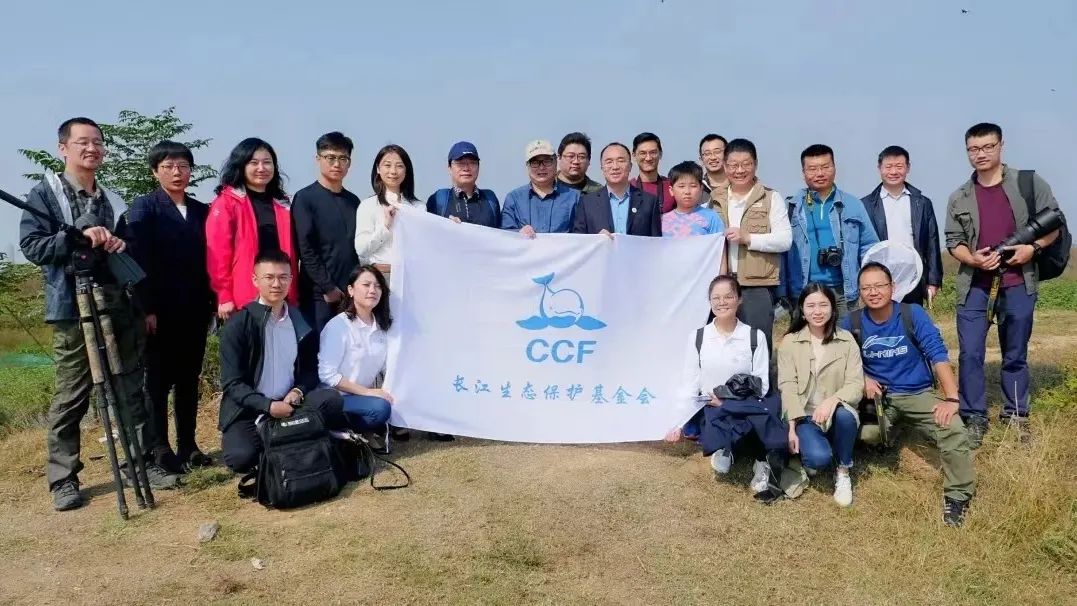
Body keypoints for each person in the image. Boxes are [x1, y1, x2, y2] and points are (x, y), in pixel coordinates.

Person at [19, 117, 180, 511]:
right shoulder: (45, 195)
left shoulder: (112, 199)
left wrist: (118, 242)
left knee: (129, 386)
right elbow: (33, 247)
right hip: (71, 307)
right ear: (63, 148)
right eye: (83, 142)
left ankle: (139, 463)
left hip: (118, 302)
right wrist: (75, 236)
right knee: (72, 393)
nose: (92, 149)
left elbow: (130, 248)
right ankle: (63, 479)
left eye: (98, 142)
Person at [944, 122, 1063, 446]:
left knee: (1015, 353)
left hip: (1018, 282)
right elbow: (953, 240)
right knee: (970, 353)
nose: (980, 154)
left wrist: (1032, 249)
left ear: (1000, 146)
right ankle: (973, 416)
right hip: (974, 285)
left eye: (987, 147)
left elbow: (1054, 224)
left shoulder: (1029, 183)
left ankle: (1015, 415)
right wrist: (972, 259)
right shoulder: (959, 196)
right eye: (973, 149)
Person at [842, 263, 975, 527]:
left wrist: (952, 398)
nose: (873, 292)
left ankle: (957, 496)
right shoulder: (852, 321)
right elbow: (841, 359)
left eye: (879, 286)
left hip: (917, 393)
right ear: (859, 292)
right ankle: (892, 431)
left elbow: (937, 354)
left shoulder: (911, 314)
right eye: (866, 288)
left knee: (953, 428)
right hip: (879, 398)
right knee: (868, 434)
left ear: (892, 287)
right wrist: (864, 379)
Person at [217, 250, 355, 476]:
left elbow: (310, 370)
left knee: (332, 400)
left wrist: (298, 390)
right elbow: (232, 384)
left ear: (291, 280)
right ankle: (292, 437)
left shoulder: (301, 320)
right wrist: (268, 406)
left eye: (283, 277)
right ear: (255, 280)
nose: (276, 284)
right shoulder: (239, 325)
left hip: (291, 403)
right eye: (269, 277)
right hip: (252, 409)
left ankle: (291, 436)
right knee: (241, 457)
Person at [126, 141, 214, 472]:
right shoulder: (145, 208)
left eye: (183, 166)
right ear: (155, 171)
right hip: (159, 310)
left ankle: (188, 445)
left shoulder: (202, 210)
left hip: (195, 307)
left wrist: (212, 303)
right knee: (158, 381)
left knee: (189, 378)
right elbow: (138, 261)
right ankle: (160, 448)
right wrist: (146, 308)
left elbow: (212, 260)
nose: (177, 172)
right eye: (168, 166)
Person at [666, 276, 780, 497]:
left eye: (728, 296)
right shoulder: (698, 337)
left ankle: (761, 461)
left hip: (745, 406)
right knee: (715, 432)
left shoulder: (754, 337)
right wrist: (678, 423)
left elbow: (762, 385)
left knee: (758, 422)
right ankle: (727, 448)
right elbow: (690, 382)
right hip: (712, 407)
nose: (722, 302)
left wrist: (728, 401)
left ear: (739, 299)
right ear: (709, 302)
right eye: (716, 298)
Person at [777, 283, 864, 507]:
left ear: (833, 308)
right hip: (805, 415)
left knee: (845, 416)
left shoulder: (846, 340)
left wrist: (833, 400)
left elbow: (856, 384)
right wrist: (791, 428)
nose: (817, 311)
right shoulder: (790, 342)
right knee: (818, 459)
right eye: (811, 306)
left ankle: (843, 470)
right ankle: (816, 451)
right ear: (802, 311)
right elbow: (787, 385)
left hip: (836, 412)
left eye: (823, 305)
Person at [780, 144, 879, 319]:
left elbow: (869, 248)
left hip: (844, 292)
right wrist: (782, 291)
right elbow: (781, 253)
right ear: (803, 173)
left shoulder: (853, 204)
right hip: (803, 291)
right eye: (812, 169)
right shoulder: (791, 207)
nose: (820, 173)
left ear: (834, 168)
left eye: (825, 167)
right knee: (805, 337)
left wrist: (870, 284)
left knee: (846, 336)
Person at [206, 138, 299, 322]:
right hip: (245, 295)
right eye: (254, 163)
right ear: (241, 166)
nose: (261, 168)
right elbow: (218, 253)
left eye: (267, 162)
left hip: (281, 292)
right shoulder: (226, 203)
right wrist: (224, 294)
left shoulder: (283, 204)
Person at [716, 138, 792, 356]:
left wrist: (749, 238)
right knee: (723, 344)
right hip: (722, 284)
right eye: (733, 165)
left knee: (757, 346)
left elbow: (785, 240)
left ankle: (762, 380)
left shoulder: (771, 198)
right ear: (725, 166)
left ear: (755, 164)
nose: (739, 170)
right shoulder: (713, 200)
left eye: (746, 164)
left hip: (757, 285)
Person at [291, 132, 361, 334]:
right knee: (318, 350)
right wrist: (328, 286)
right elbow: (305, 249)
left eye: (343, 158)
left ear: (349, 163)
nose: (337, 164)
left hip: (351, 294)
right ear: (318, 159)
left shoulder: (354, 201)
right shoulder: (305, 198)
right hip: (318, 296)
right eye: (330, 157)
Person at [860, 146, 943, 307]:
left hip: (913, 274)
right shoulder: (866, 205)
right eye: (888, 167)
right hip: (879, 275)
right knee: (881, 318)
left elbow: (932, 242)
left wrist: (933, 281)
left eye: (899, 166)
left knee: (911, 317)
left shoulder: (922, 203)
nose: (893, 172)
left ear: (908, 168)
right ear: (879, 168)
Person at [318, 265, 395, 436]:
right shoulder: (338, 326)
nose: (372, 290)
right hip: (334, 398)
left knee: (392, 402)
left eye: (378, 286)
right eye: (366, 285)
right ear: (351, 290)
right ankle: (334, 432)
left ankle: (359, 431)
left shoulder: (382, 327)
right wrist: (367, 392)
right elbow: (327, 375)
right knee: (381, 409)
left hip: (361, 398)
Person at [356, 144, 424, 272]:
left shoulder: (418, 207)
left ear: (406, 170)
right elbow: (361, 250)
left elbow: (423, 247)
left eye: (399, 166)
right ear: (378, 168)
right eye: (387, 165)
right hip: (379, 276)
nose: (393, 171)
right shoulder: (368, 205)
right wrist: (386, 227)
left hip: (410, 275)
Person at [572, 142, 662, 237]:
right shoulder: (587, 203)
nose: (615, 167)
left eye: (621, 161)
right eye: (609, 162)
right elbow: (578, 240)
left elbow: (656, 242)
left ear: (630, 166)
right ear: (602, 168)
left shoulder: (650, 202)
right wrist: (596, 239)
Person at [501, 140, 581, 236]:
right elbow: (504, 234)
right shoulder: (514, 199)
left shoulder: (575, 198)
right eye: (535, 162)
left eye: (547, 161)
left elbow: (582, 234)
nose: (541, 167)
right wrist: (518, 233)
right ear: (527, 166)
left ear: (556, 162)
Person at [426, 141, 501, 228]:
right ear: (449, 168)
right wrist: (444, 224)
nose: (466, 168)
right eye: (460, 163)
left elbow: (501, 233)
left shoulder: (490, 199)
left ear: (478, 167)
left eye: (472, 163)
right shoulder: (438, 200)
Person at [661, 161, 724, 240]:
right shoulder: (663, 220)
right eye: (681, 186)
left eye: (693, 186)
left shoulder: (712, 217)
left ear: (701, 189)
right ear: (671, 190)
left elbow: (719, 245)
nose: (687, 191)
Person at [629, 132, 674, 214]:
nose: (648, 158)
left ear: (660, 154)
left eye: (653, 152)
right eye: (643, 153)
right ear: (634, 156)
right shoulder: (628, 188)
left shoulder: (672, 187)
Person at [698, 133, 729, 209]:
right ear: (701, 160)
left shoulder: (739, 186)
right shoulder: (696, 189)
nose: (712, 157)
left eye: (717, 152)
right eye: (707, 153)